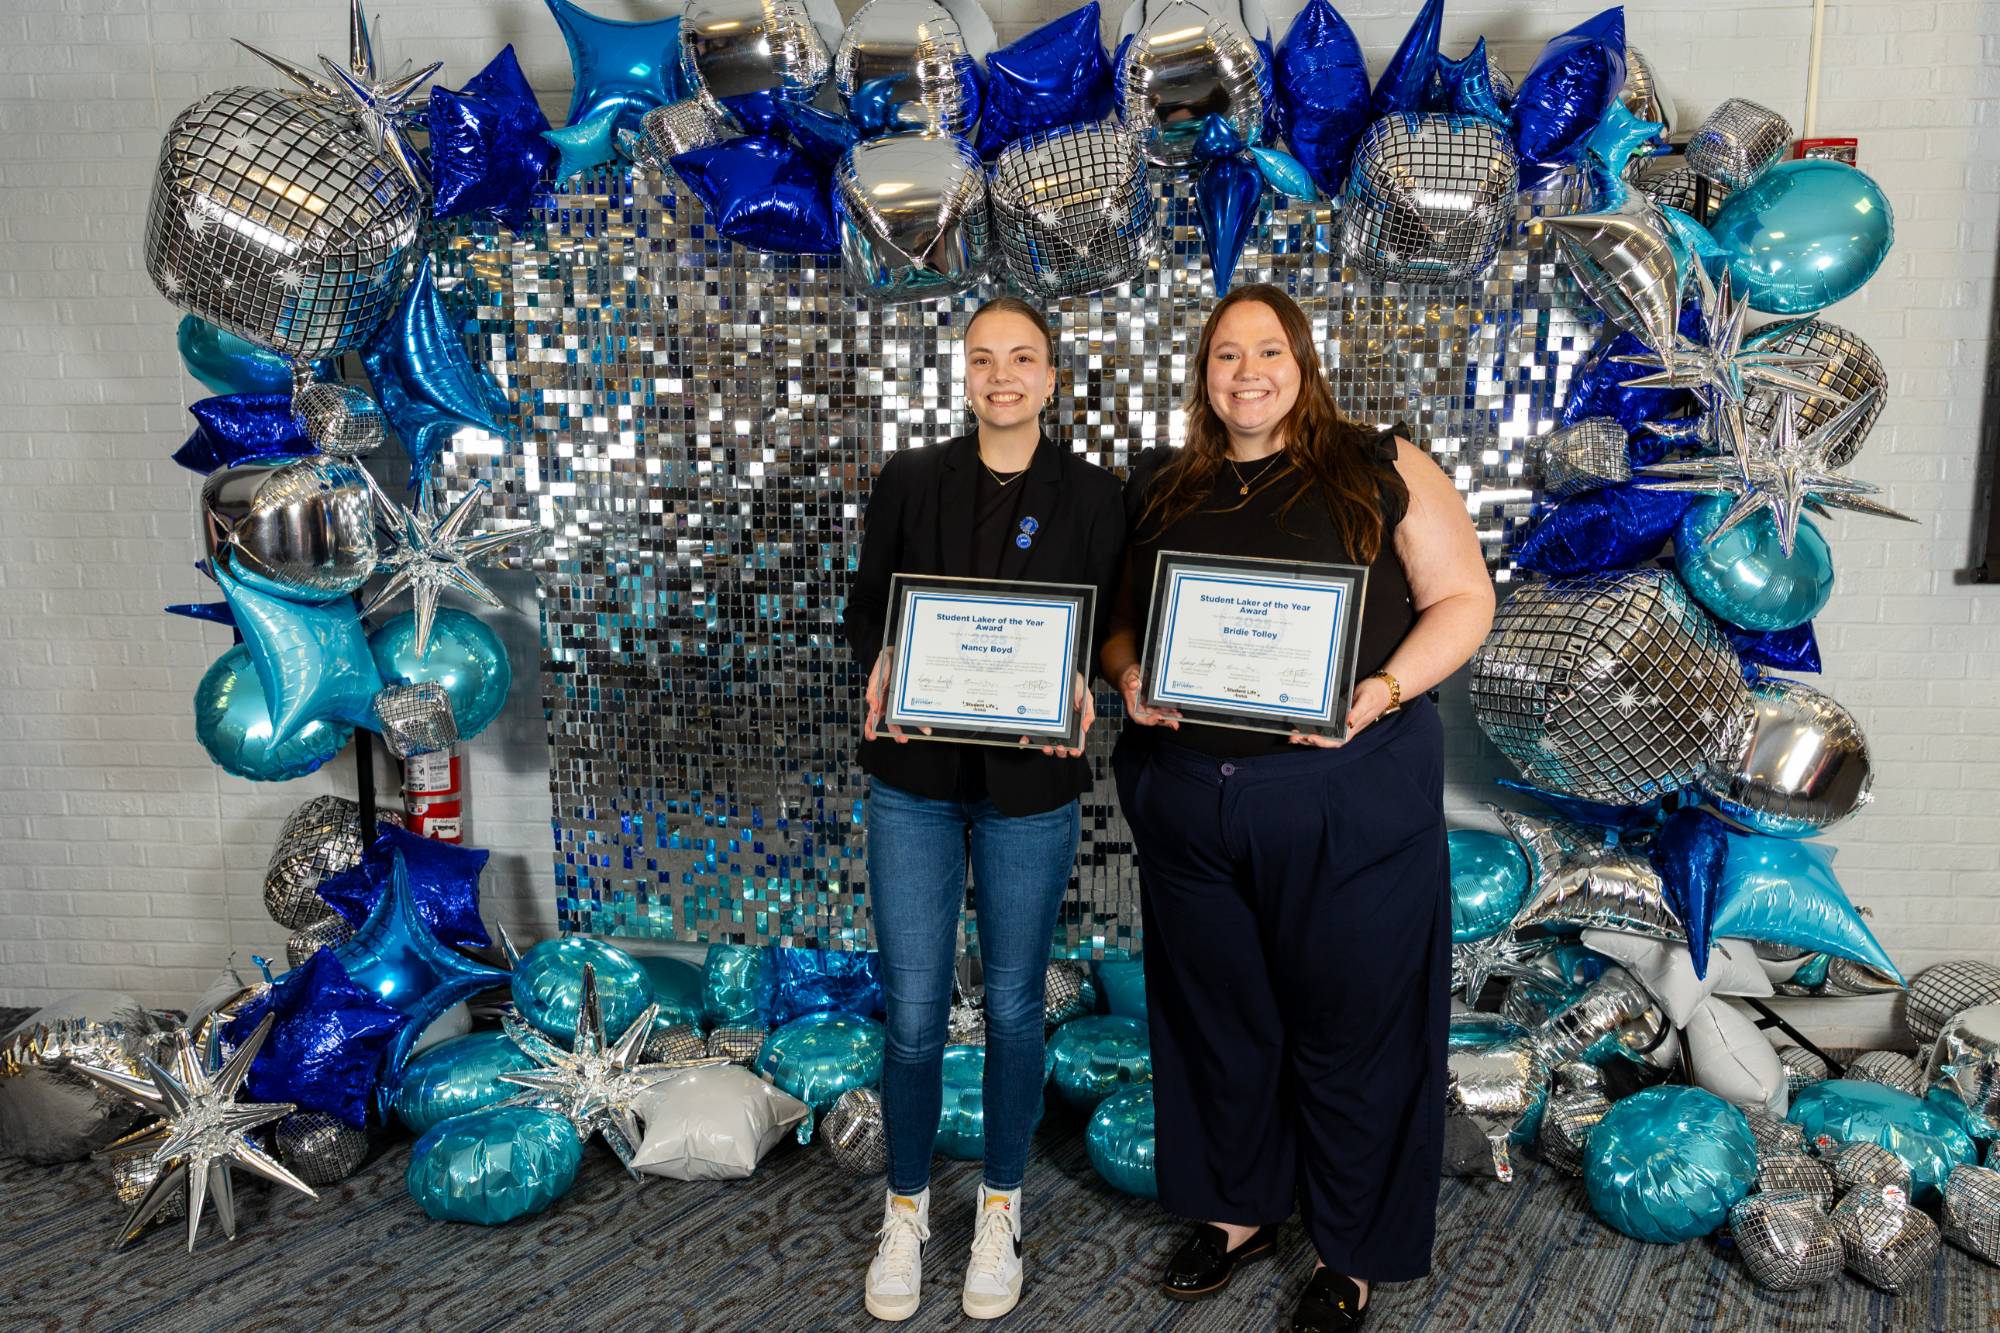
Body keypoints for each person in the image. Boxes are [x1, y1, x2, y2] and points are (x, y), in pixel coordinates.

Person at [1100, 284, 1494, 1332]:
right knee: (1216, 1017)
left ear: (1303, 361)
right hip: (1191, 801)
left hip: (1346, 796)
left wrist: (1383, 690)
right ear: (1203, 373)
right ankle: (1234, 1211)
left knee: (1354, 1026)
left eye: (1267, 351)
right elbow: (1118, 623)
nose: (1247, 373)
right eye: (1226, 355)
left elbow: (1465, 599)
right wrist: (1129, 674)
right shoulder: (1160, 484)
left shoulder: (1380, 464)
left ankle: (1349, 1249)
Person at [841, 296, 1126, 1322]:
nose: (1000, 376)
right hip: (912, 780)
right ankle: (906, 1212)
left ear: (1052, 377)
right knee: (915, 1012)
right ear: (962, 375)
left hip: (1028, 788)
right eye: (981, 359)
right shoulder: (911, 478)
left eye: (1021, 359)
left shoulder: (1095, 497)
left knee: (1011, 1008)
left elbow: (1107, 628)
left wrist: (1089, 680)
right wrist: (882, 661)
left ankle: (1001, 1209)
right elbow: (866, 612)